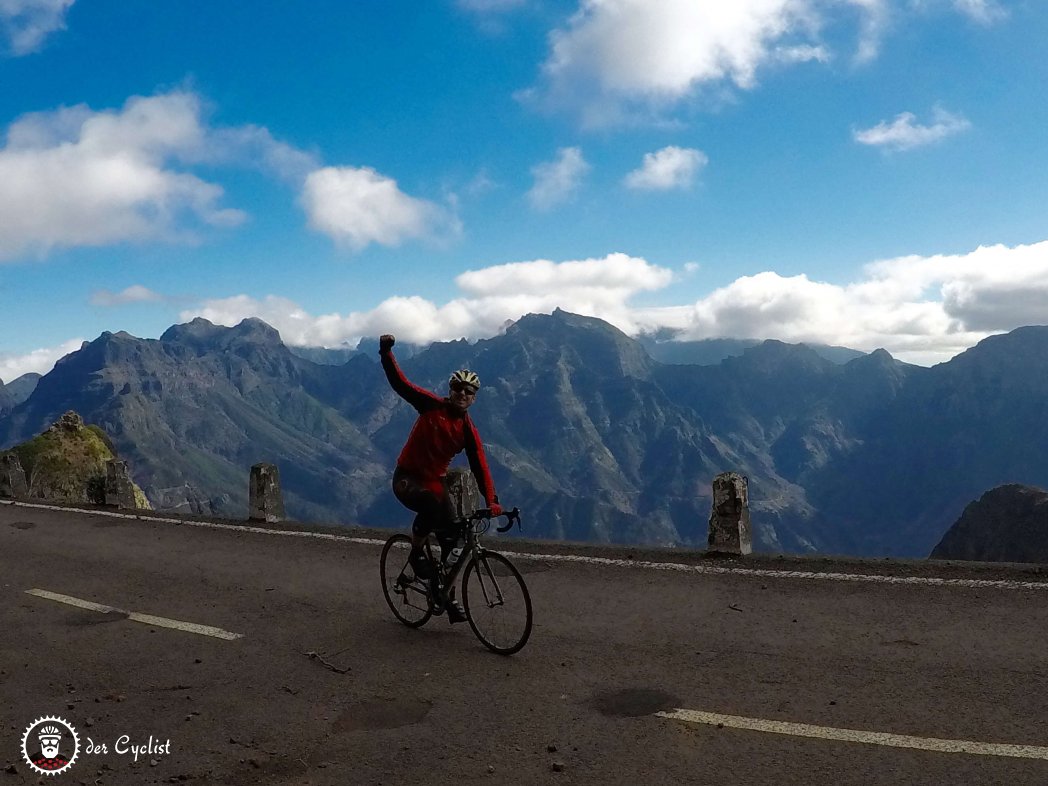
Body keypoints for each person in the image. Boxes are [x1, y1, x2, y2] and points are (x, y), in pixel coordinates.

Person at [379, 333, 502, 623]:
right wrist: (386, 353)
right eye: (458, 388)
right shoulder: (430, 406)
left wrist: (493, 501)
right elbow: (400, 384)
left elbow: (480, 466)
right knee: (431, 506)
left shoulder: (468, 432)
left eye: (469, 391)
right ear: (451, 389)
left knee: (455, 540)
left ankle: (445, 594)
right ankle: (417, 553)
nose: (462, 394)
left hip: (436, 483)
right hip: (407, 479)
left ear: (474, 398)